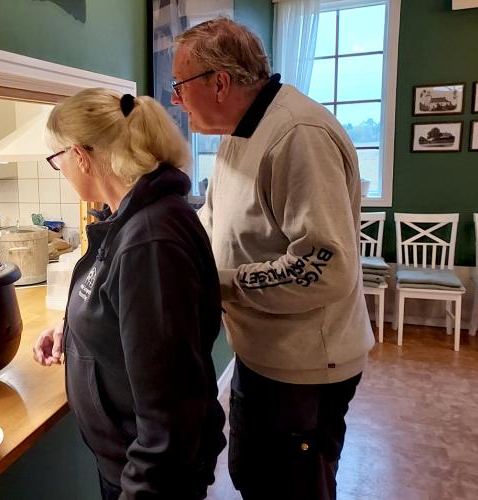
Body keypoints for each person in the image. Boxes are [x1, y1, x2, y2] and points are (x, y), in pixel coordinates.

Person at [171, 17, 375, 500]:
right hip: (262, 352)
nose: (176, 101)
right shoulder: (237, 133)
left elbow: (325, 269)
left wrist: (217, 282)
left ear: (219, 82)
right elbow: (212, 219)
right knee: (253, 476)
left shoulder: (297, 136)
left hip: (304, 366)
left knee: (292, 490)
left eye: (179, 86)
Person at [32, 89, 226, 499]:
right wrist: (72, 331)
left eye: (57, 159)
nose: (60, 169)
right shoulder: (128, 219)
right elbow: (128, 318)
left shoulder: (149, 240)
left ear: (81, 156)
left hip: (151, 477)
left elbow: (168, 410)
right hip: (129, 461)